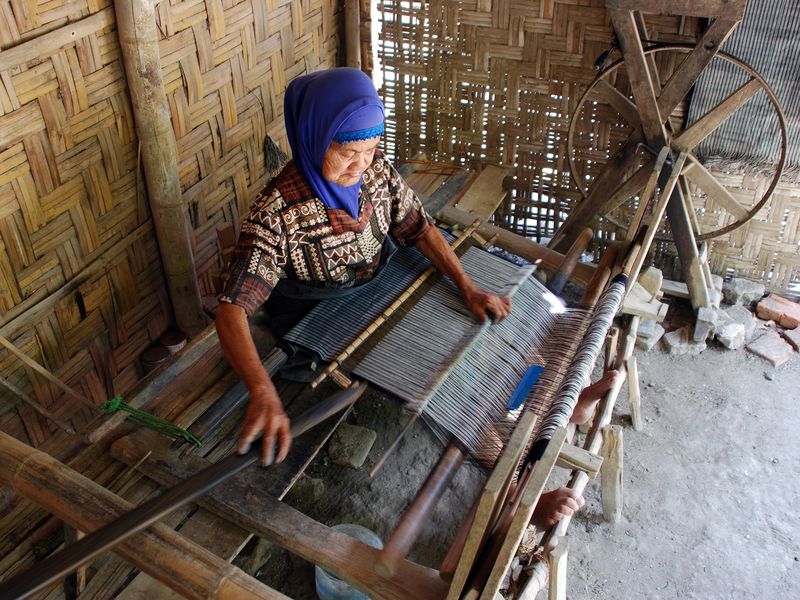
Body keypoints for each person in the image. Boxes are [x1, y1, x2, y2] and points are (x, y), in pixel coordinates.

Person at [215, 67, 511, 467]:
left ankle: (516, 434)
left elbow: (420, 229)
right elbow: (232, 308)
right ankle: (491, 454)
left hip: (382, 281)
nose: (360, 165)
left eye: (370, 149)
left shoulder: (377, 172)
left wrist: (467, 285)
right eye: (348, 152)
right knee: (407, 387)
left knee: (466, 336)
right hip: (321, 314)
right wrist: (262, 391)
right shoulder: (274, 216)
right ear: (315, 136)